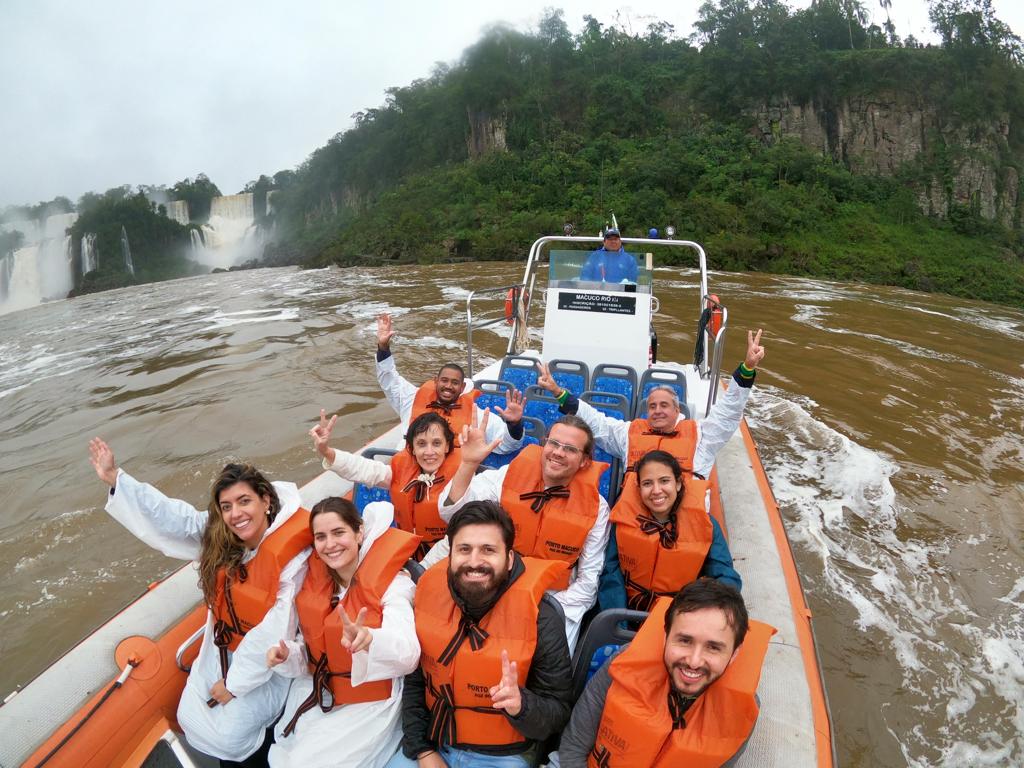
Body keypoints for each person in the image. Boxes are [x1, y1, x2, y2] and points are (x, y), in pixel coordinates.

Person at [88, 438, 311, 767]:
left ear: (266, 500)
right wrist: (117, 478)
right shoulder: (222, 539)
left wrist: (234, 685)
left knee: (233, 732)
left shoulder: (293, 557)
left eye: (244, 501)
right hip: (227, 648)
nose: (236, 514)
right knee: (194, 716)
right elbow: (173, 518)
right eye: (227, 506)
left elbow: (275, 631)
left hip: (275, 661)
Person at [388, 501, 573, 768]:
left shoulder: (542, 617)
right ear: (450, 555)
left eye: (488, 550)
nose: (474, 562)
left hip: (504, 755)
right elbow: (416, 683)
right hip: (434, 742)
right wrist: (423, 751)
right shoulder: (428, 598)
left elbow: (558, 712)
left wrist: (521, 704)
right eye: (464, 549)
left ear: (509, 559)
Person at [266, 498, 421, 768]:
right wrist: (288, 655)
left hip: (370, 701)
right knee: (281, 756)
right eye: (321, 537)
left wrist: (371, 640)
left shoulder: (394, 585)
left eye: (339, 533)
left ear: (359, 533)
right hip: (322, 692)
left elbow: (408, 655)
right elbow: (314, 653)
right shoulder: (318, 585)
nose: (330, 544)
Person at [437, 411, 609, 651]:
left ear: (584, 461)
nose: (558, 453)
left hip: (554, 604)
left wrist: (540, 608)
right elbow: (451, 514)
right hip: (495, 589)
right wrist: (468, 464)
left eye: (570, 449)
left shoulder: (597, 508)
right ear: (544, 445)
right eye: (554, 443)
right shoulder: (508, 477)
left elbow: (588, 583)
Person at [558, 580, 776, 768]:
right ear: (665, 638)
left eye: (713, 647)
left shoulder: (742, 711)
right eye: (684, 641)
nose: (694, 661)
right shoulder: (622, 663)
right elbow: (573, 746)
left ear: (734, 654)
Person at [537, 329, 767, 492]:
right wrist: (558, 391)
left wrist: (747, 368)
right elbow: (595, 422)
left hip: (685, 525)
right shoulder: (628, 433)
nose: (657, 410)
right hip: (634, 519)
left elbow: (728, 412)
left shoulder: (702, 435)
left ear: (678, 410)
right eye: (652, 406)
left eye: (664, 405)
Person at [603, 450, 741, 612]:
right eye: (647, 483)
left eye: (664, 481)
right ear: (639, 488)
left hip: (681, 613)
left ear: (678, 483)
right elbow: (611, 573)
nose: (656, 490)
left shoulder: (707, 525)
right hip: (627, 610)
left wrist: (690, 615)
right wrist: (619, 620)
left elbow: (725, 577)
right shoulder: (622, 520)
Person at [310, 409, 460, 559]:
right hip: (411, 552)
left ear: (447, 446)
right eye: (421, 444)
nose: (429, 451)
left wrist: (422, 568)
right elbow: (363, 469)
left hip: (446, 558)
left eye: (436, 443)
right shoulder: (400, 472)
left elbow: (462, 537)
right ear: (412, 449)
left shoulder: (462, 482)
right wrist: (326, 451)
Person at [375, 312, 524, 454]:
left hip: (449, 477)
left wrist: (514, 424)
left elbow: (507, 445)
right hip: (406, 470)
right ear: (436, 381)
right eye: (444, 381)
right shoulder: (411, 398)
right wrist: (383, 347)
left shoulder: (475, 416)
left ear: (462, 387)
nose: (448, 386)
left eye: (454, 383)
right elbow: (389, 379)